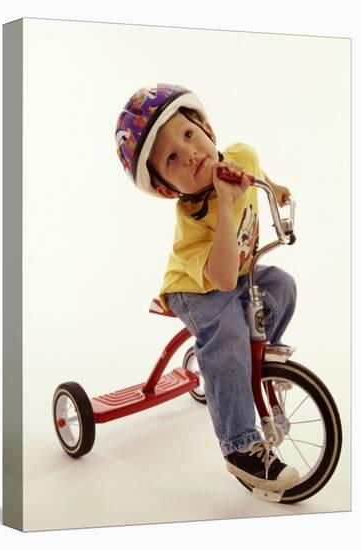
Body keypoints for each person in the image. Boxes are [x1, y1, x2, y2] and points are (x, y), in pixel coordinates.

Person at [115, 83, 299, 493]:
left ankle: (254, 357)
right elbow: (221, 280)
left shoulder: (240, 156)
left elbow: (256, 170)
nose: (190, 154)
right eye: (172, 159)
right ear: (168, 187)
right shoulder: (197, 214)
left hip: (236, 273)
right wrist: (228, 204)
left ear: (207, 128)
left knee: (282, 284)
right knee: (227, 332)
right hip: (195, 285)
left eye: (188, 135)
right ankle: (240, 448)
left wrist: (274, 185)